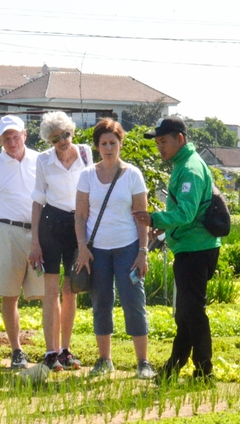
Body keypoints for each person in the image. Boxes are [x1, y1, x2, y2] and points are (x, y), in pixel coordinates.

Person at [133, 116, 222, 382]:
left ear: (179, 139)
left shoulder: (190, 169)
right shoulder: (183, 164)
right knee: (186, 312)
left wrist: (155, 219)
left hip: (196, 249)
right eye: (157, 142)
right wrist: (165, 226)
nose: (159, 147)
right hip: (190, 247)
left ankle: (204, 370)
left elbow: (186, 212)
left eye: (163, 141)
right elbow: (183, 212)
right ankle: (173, 368)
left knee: (192, 313)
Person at [74, 118, 156, 379]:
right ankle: (104, 359)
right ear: (97, 147)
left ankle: (143, 362)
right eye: (103, 143)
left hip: (127, 248)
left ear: (121, 144)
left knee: (134, 302)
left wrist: (142, 252)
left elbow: (141, 216)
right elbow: (80, 215)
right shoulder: (87, 175)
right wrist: (82, 249)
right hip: (97, 250)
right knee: (101, 303)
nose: (109, 148)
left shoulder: (132, 174)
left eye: (113, 142)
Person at [0, 115, 42, 370]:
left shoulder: (41, 160)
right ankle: (17, 350)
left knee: (48, 293)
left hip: (39, 233)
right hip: (6, 231)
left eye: (16, 136)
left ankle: (55, 350)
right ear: (0, 140)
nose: (12, 142)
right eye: (6, 138)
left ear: (25, 135)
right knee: (9, 295)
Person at [29, 111, 93, 371]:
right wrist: (34, 241)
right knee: (51, 291)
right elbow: (37, 200)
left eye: (66, 135)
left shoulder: (87, 153)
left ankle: (66, 350)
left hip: (77, 226)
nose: (63, 141)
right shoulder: (43, 161)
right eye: (56, 139)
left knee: (71, 290)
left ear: (72, 133)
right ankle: (50, 352)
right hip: (51, 226)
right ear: (50, 142)